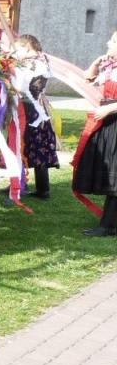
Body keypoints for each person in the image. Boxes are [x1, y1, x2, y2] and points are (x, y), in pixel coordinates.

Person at [73, 30, 117, 236]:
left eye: (113, 41)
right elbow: (87, 78)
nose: (108, 43)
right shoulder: (110, 67)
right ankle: (108, 224)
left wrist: (109, 109)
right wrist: (96, 63)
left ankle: (107, 226)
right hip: (108, 123)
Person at [11, 34, 58, 200]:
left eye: (18, 49)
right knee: (24, 146)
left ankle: (42, 190)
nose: (15, 53)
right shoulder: (39, 61)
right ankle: (20, 184)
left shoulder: (34, 64)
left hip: (32, 112)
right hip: (31, 110)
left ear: (27, 47)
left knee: (35, 148)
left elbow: (20, 87)